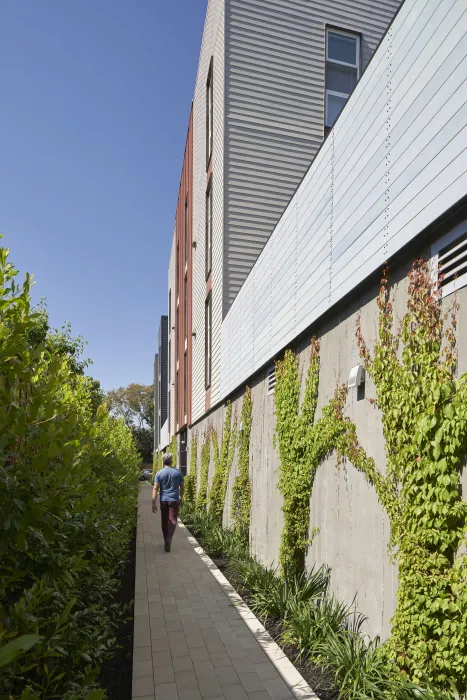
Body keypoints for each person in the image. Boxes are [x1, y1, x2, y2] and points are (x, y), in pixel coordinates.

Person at [152, 453, 184, 552]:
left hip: (163, 500)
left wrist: (153, 502)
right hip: (174, 500)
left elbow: (155, 488)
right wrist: (181, 497)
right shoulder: (177, 473)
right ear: (171, 461)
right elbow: (182, 488)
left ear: (163, 461)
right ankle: (169, 538)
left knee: (164, 520)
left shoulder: (159, 473)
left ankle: (166, 538)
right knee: (173, 519)